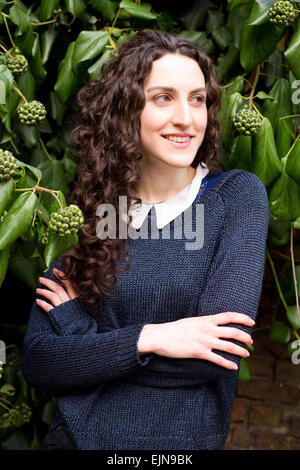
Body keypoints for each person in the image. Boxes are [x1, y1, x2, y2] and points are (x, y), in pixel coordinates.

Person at [21, 29, 270, 451]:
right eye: (163, 98)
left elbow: (217, 355)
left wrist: (81, 334)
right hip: (71, 440)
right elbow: (40, 362)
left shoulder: (236, 199)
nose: (186, 118)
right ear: (125, 110)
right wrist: (150, 338)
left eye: (197, 99)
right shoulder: (97, 209)